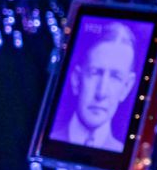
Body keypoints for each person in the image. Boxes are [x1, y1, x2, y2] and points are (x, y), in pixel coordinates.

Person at [51, 22, 138, 152]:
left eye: (115, 77)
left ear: (126, 87)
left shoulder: (127, 158)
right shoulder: (48, 141)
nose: (101, 93)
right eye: (95, 73)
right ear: (76, 79)